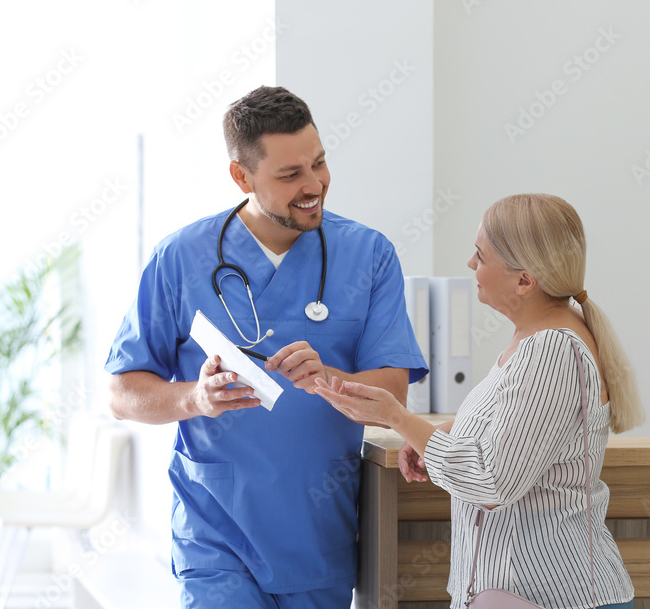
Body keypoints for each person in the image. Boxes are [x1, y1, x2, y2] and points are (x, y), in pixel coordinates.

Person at [105, 86, 428, 608]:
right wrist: (195, 398)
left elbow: (393, 393)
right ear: (241, 176)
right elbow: (122, 393)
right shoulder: (181, 259)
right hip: (216, 537)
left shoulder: (368, 255)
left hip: (317, 536)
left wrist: (327, 379)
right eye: (290, 174)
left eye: (319, 163)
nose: (314, 185)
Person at [316, 193, 644, 609]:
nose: (471, 264)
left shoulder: (552, 350)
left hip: (551, 596)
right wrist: (433, 437)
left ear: (524, 281)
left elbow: (492, 482)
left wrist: (398, 418)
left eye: (481, 255)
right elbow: (515, 427)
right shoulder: (532, 340)